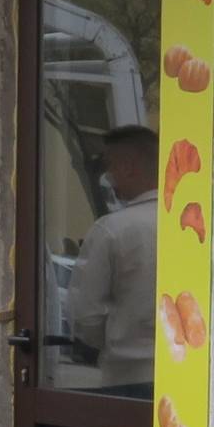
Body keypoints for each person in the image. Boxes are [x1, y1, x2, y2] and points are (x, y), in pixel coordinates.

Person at [64, 124, 159, 395]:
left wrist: (105, 341)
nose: (108, 177)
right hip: (184, 375)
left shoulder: (112, 230)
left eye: (111, 167)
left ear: (129, 167)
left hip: (125, 379)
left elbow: (86, 315)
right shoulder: (192, 224)